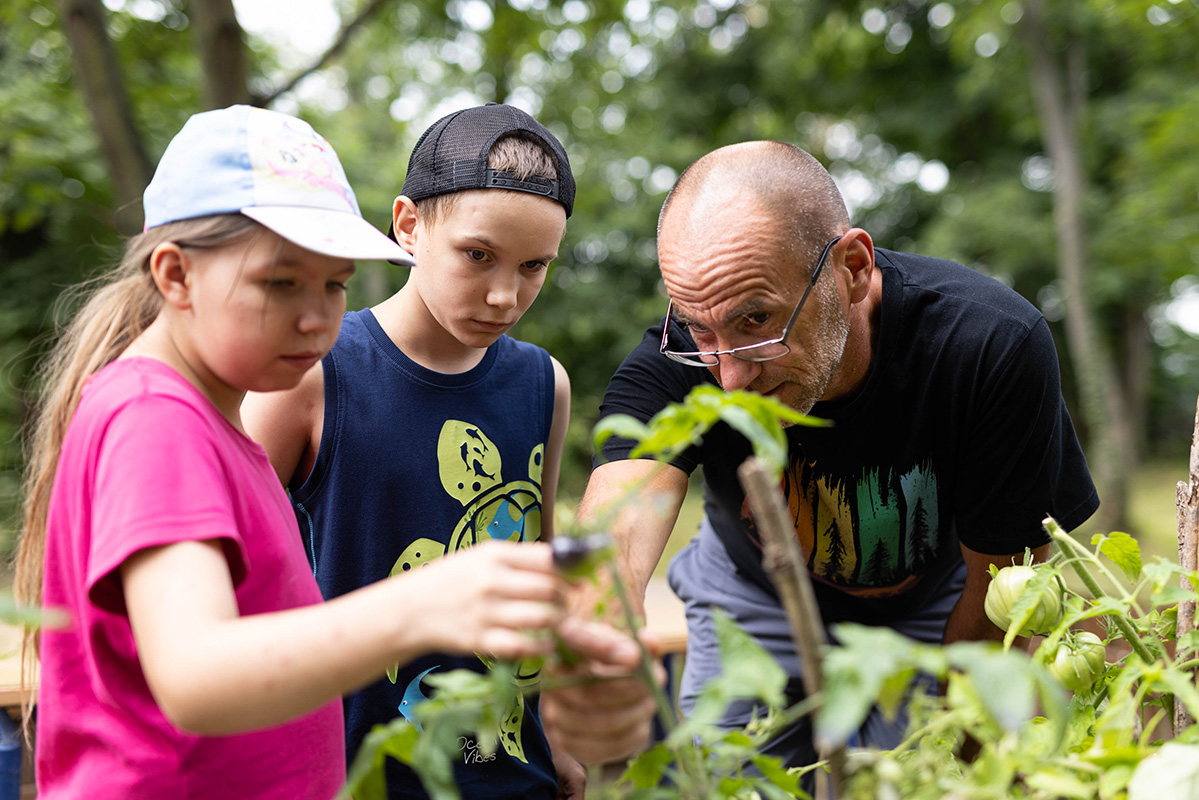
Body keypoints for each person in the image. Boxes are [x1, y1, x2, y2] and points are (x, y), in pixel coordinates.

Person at [13, 104, 607, 800]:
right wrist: (418, 605)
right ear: (175, 276)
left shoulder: (208, 421)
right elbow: (196, 678)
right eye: (281, 283)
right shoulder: (155, 420)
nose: (317, 318)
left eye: (335, 284)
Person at [562, 140, 1100, 775]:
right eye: (700, 331)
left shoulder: (987, 347)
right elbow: (616, 533)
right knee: (733, 782)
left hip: (937, 604)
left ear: (853, 267)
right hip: (751, 595)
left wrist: (953, 765)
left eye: (757, 320)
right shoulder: (678, 357)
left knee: (906, 780)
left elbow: (998, 594)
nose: (729, 376)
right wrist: (593, 647)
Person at [241, 103, 593, 799]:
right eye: (477, 255)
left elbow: (538, 571)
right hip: (351, 766)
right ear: (407, 225)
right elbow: (233, 579)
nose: (503, 295)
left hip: (509, 765)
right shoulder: (311, 372)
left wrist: (560, 731)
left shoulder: (541, 382)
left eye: (533, 267)